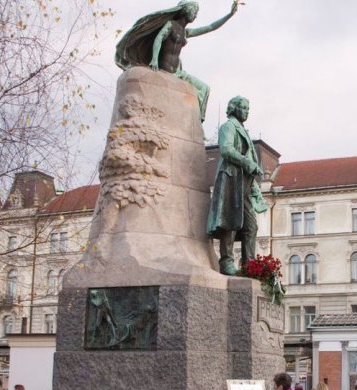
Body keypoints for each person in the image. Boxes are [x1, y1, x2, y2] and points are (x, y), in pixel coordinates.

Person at [113, 0, 240, 121]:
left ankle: (197, 122)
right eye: (195, 11)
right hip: (164, 68)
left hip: (179, 73)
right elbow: (159, 38)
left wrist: (229, 15)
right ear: (186, 10)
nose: (195, 15)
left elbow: (210, 27)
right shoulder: (170, 25)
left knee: (205, 88)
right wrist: (154, 59)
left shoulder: (185, 32)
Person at [206, 95, 268, 275]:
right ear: (234, 108)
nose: (246, 111)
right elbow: (226, 149)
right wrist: (248, 163)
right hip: (231, 179)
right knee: (230, 220)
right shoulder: (228, 126)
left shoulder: (243, 130)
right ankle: (226, 261)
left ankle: (249, 266)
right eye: (243, 107)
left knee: (251, 226)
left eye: (248, 108)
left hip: (245, 183)